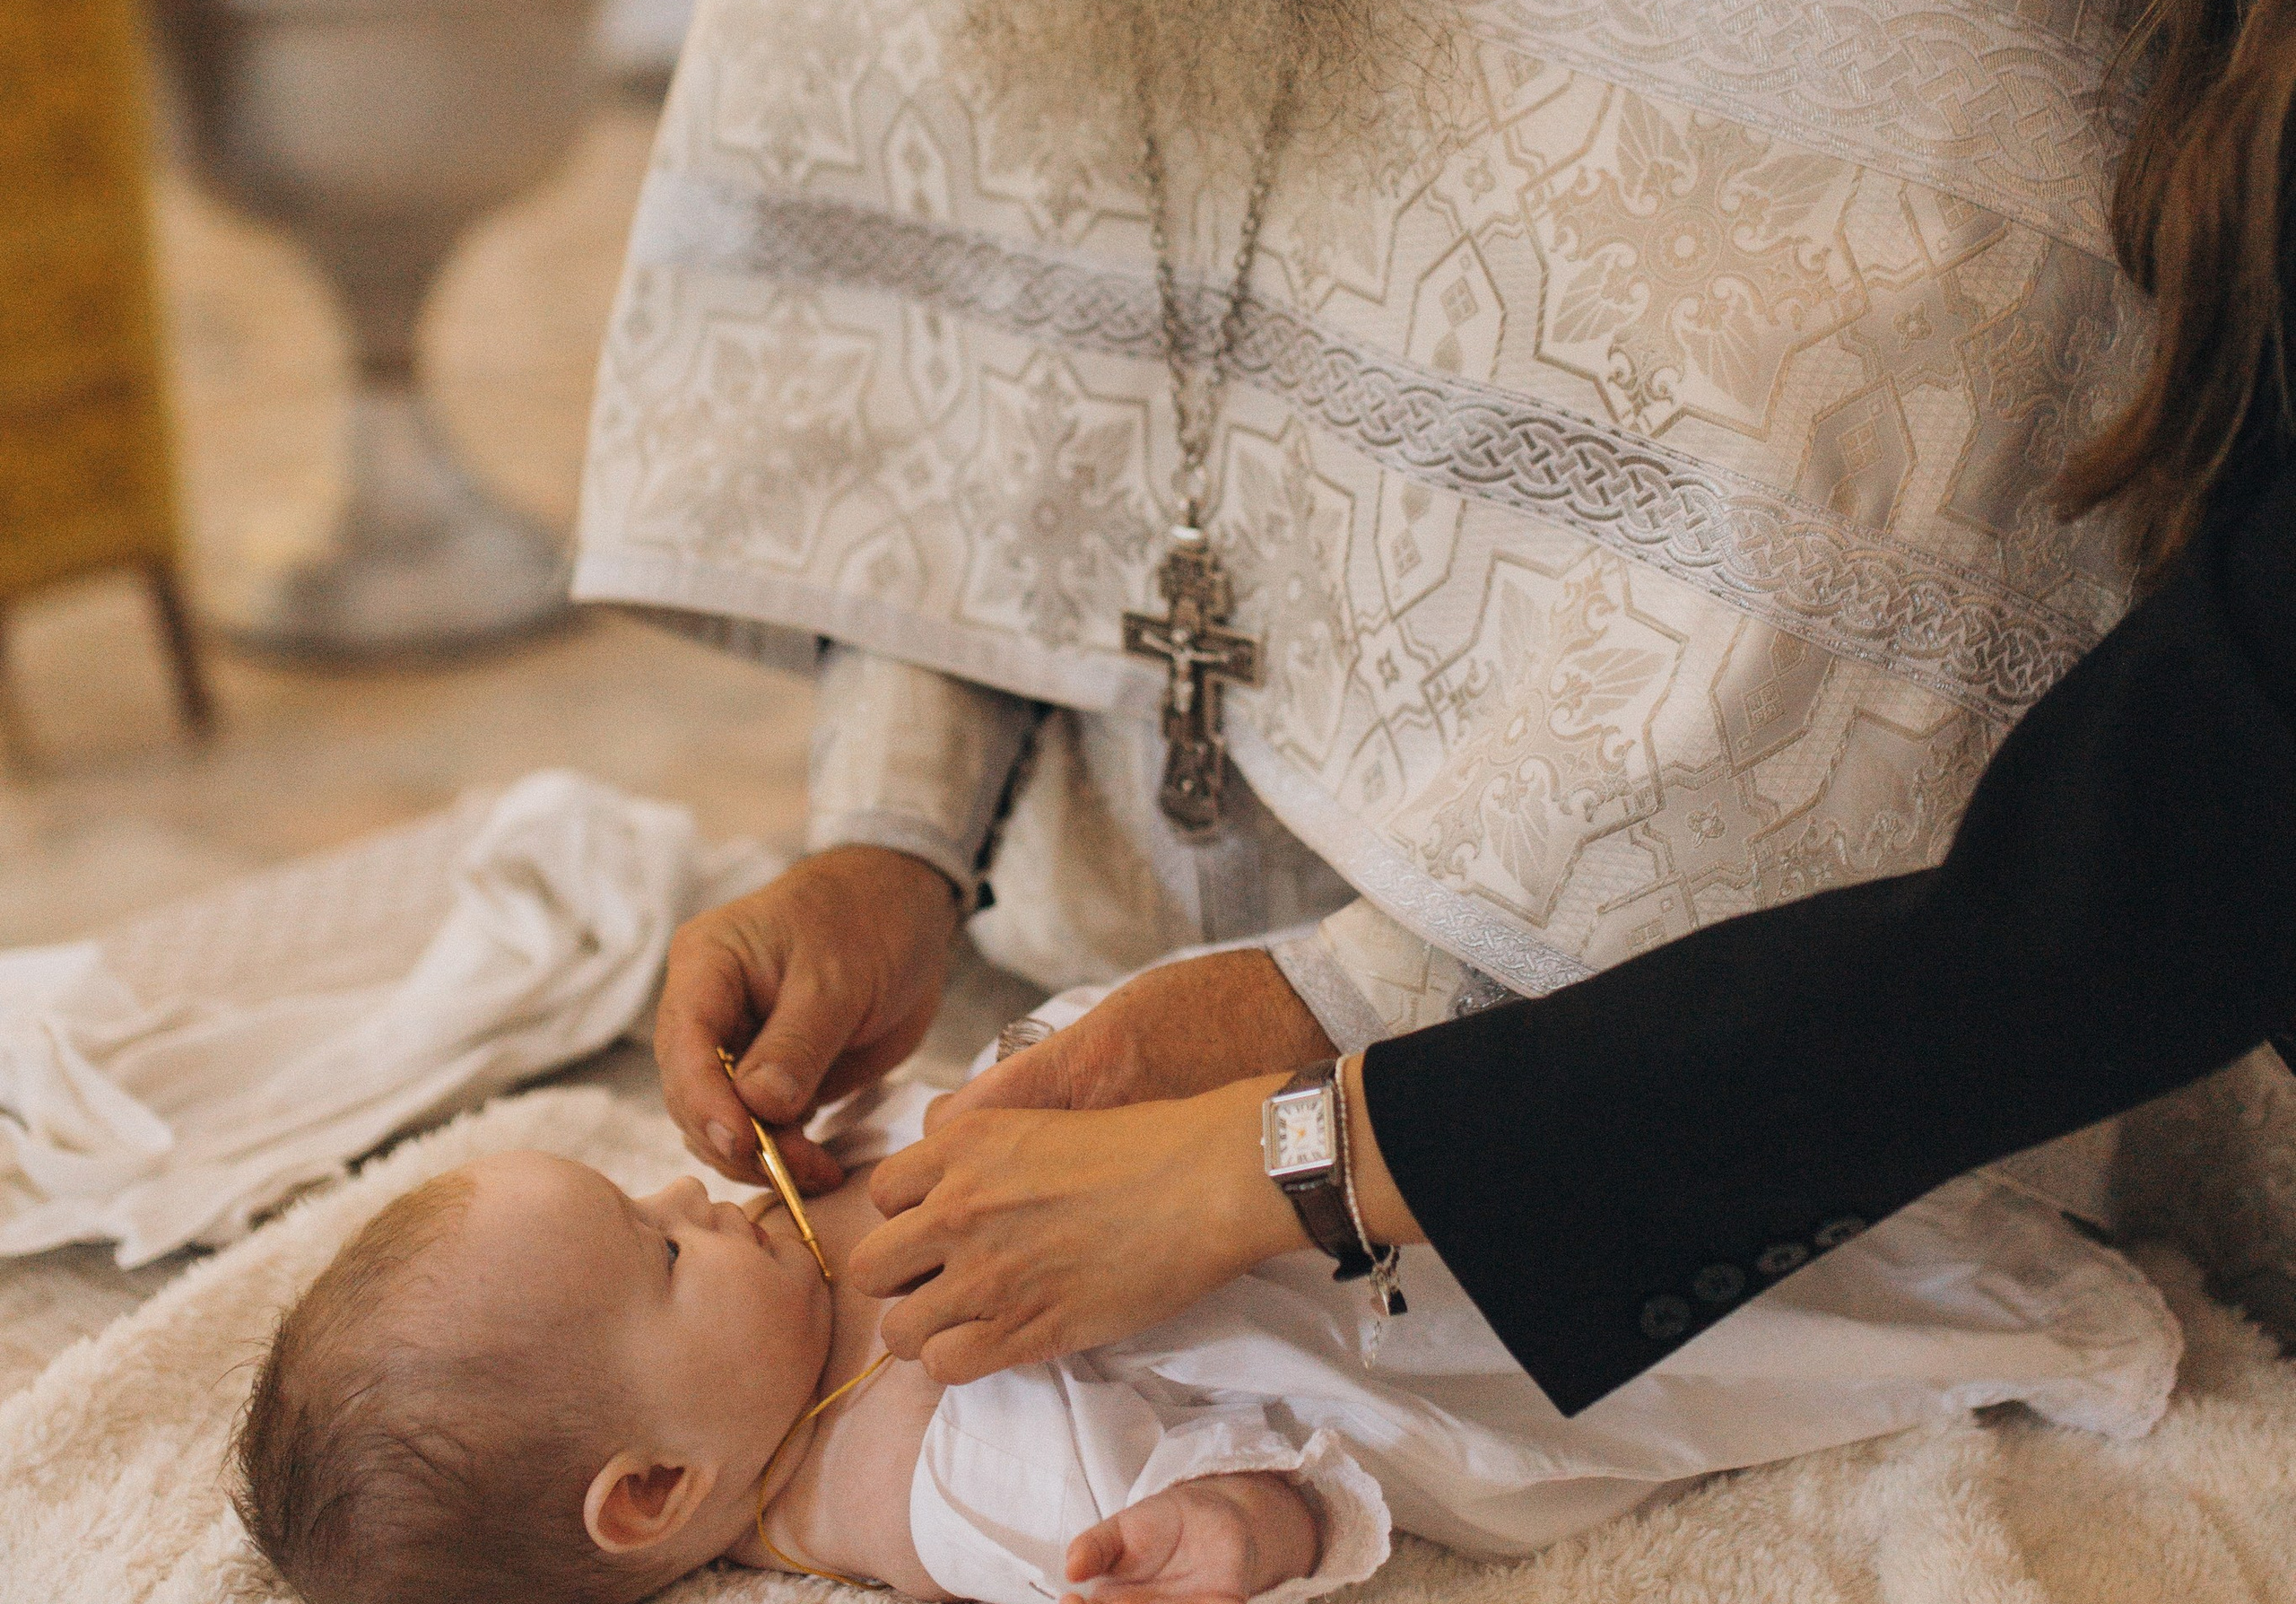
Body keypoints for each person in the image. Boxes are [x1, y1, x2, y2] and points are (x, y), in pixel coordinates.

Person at [568, 0, 2202, 1405]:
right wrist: (899, 832)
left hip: (1662, 1117)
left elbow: (1850, 543)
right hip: (1089, 1048)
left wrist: (1331, 1018)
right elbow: (983, 299)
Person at [230, 1007, 2175, 1604]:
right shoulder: (941, 1496)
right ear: (653, 1490)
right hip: (1417, 1354)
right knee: (1765, 1317)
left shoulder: (790, 1279)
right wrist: (1211, 1536)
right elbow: (1297, 1479)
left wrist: (875, 1128)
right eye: (658, 1251)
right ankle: (2039, 1306)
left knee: (1650, 1111)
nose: (699, 1199)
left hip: (1309, 1198)